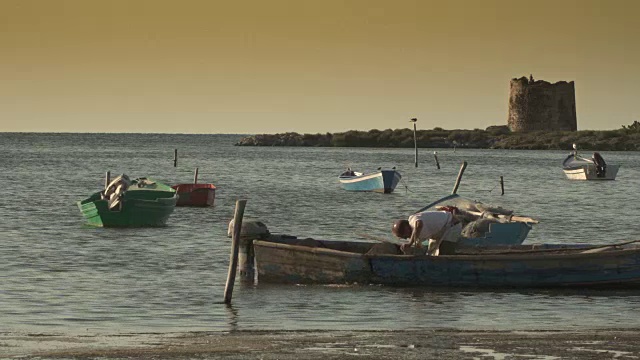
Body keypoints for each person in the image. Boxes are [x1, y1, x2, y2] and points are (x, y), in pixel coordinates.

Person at [391, 207, 467, 255]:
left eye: (403, 235)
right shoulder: (416, 234)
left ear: (406, 228)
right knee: (431, 253)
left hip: (452, 225)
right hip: (439, 232)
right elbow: (418, 245)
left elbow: (419, 224)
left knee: (444, 253)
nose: (405, 238)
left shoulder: (413, 220)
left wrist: (410, 243)